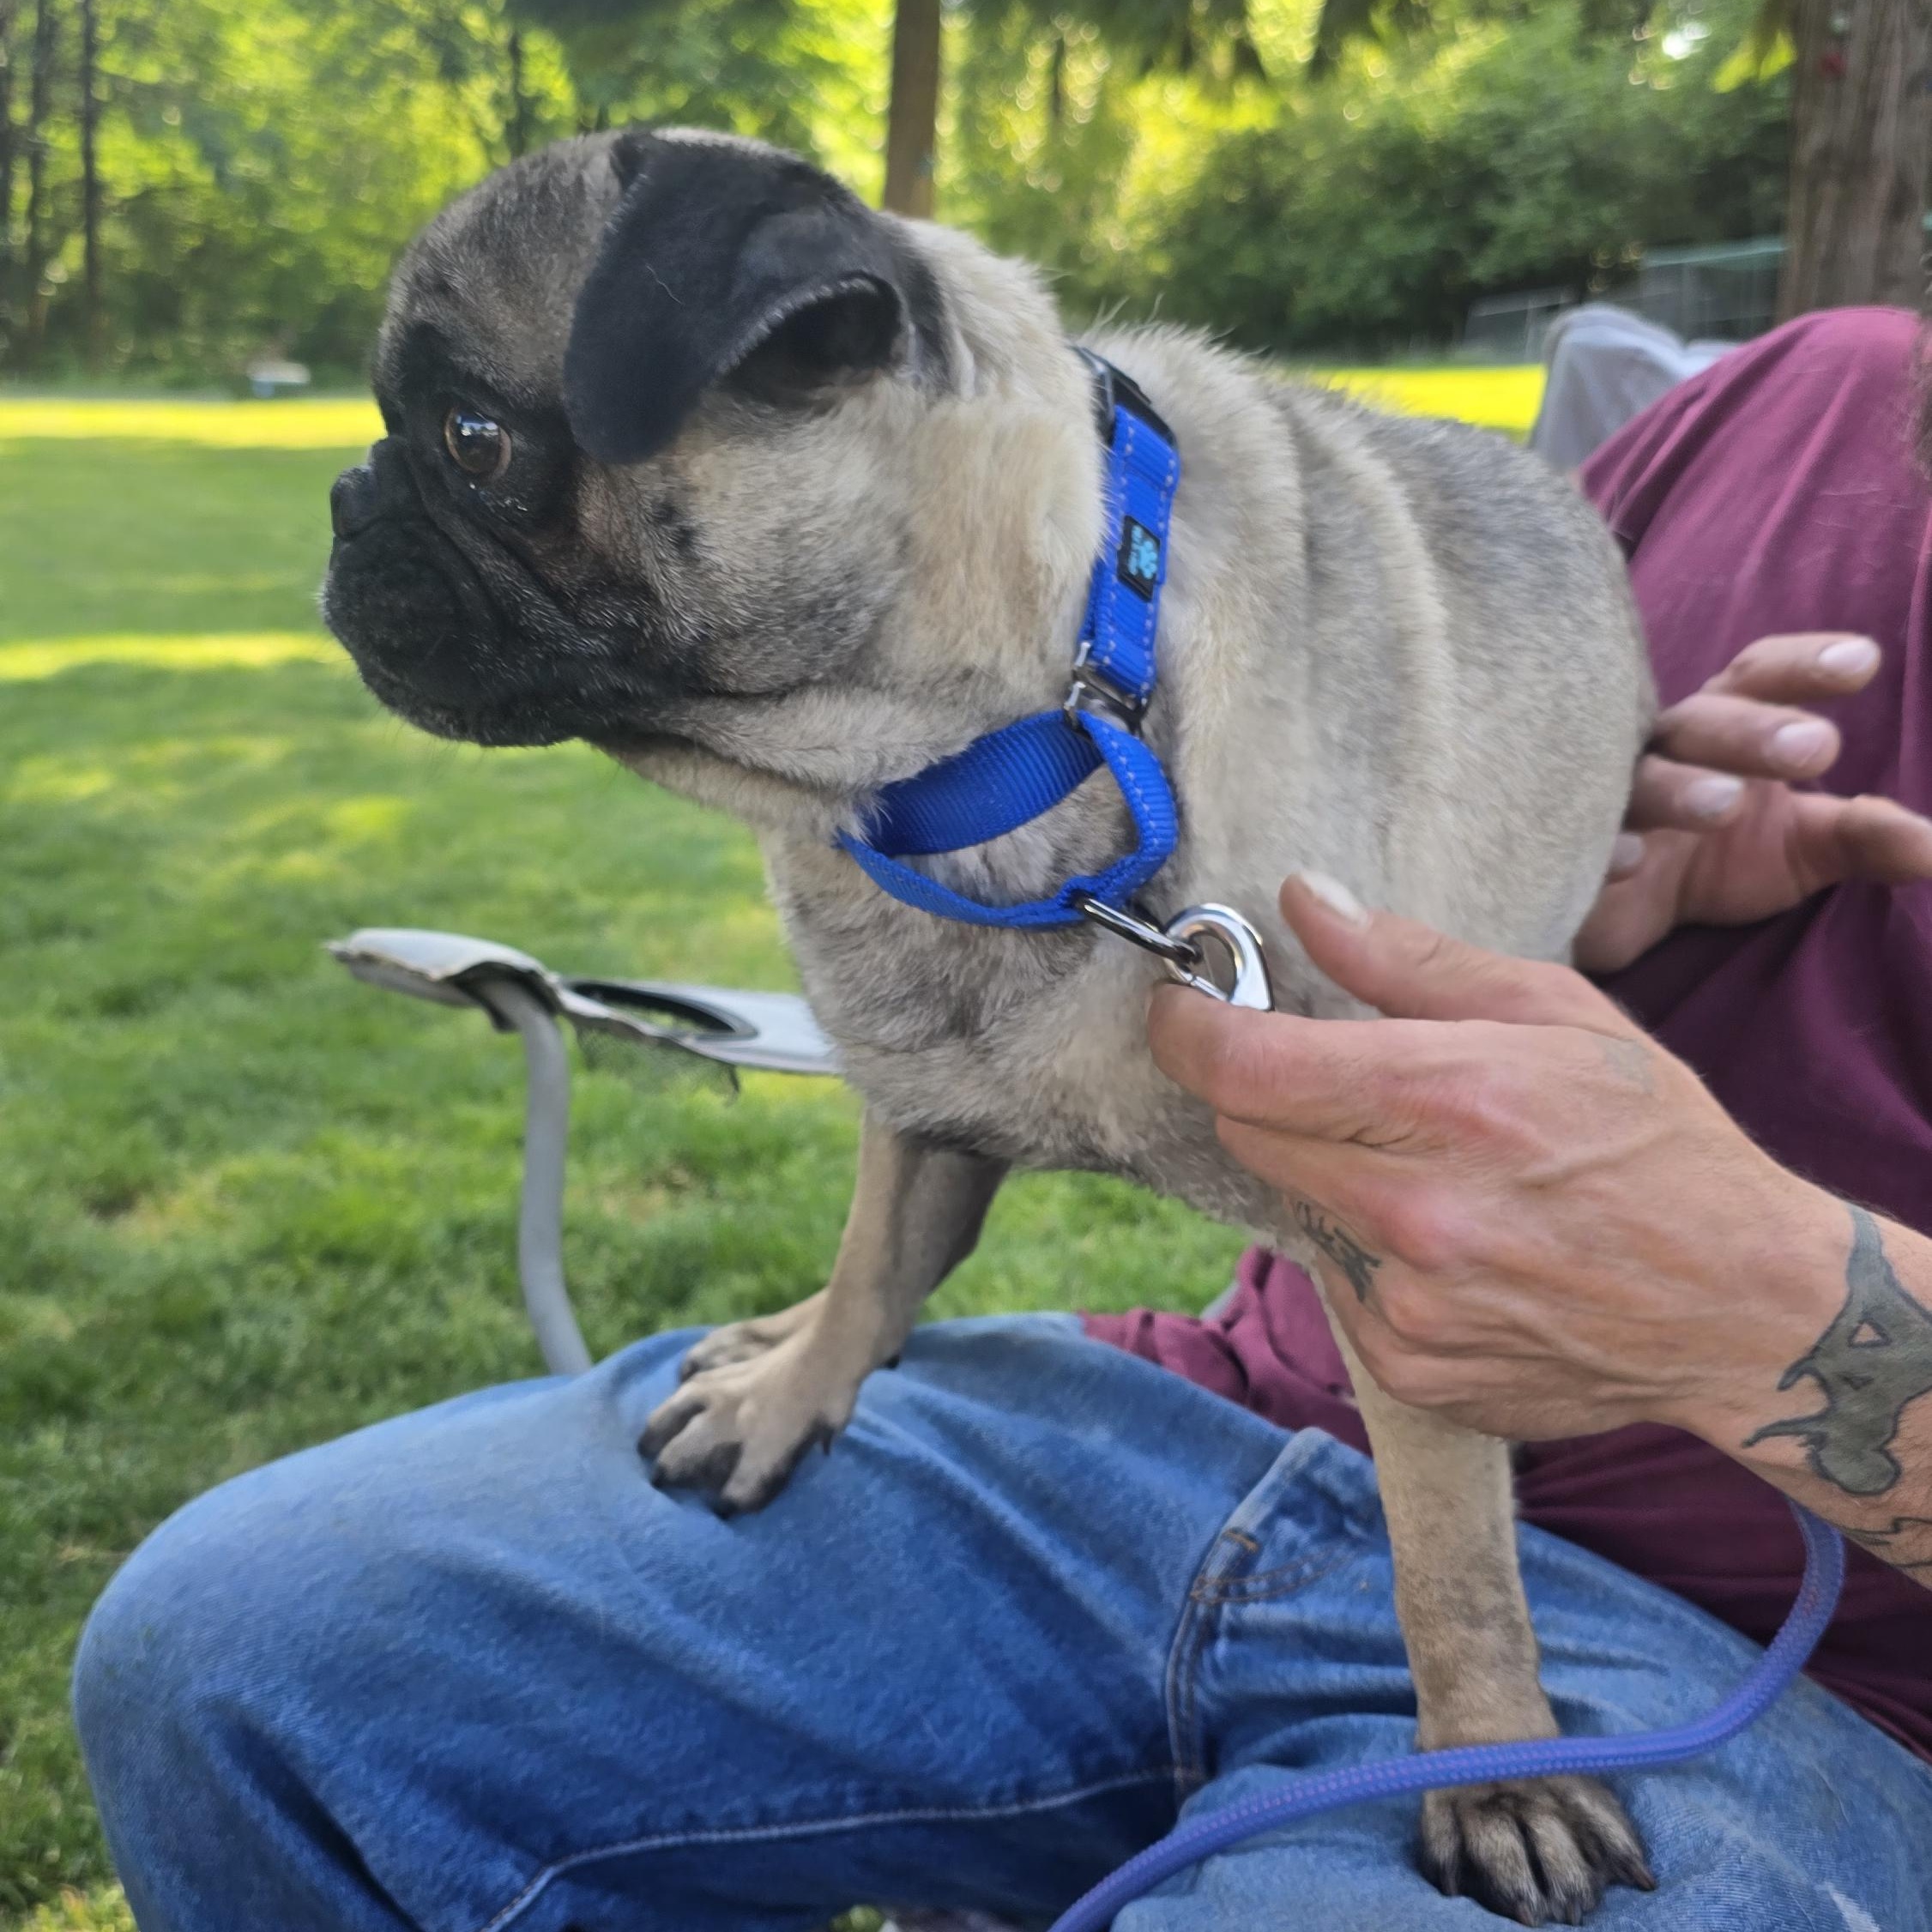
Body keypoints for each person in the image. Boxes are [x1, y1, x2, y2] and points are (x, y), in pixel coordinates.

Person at [72, 306, 1932, 1932]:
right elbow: (1435, 760)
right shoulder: (1802, 401)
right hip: (1218, 1421)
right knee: (239, 1659)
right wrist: (1576, 861)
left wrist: (1766, 1303)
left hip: (1801, 1682)